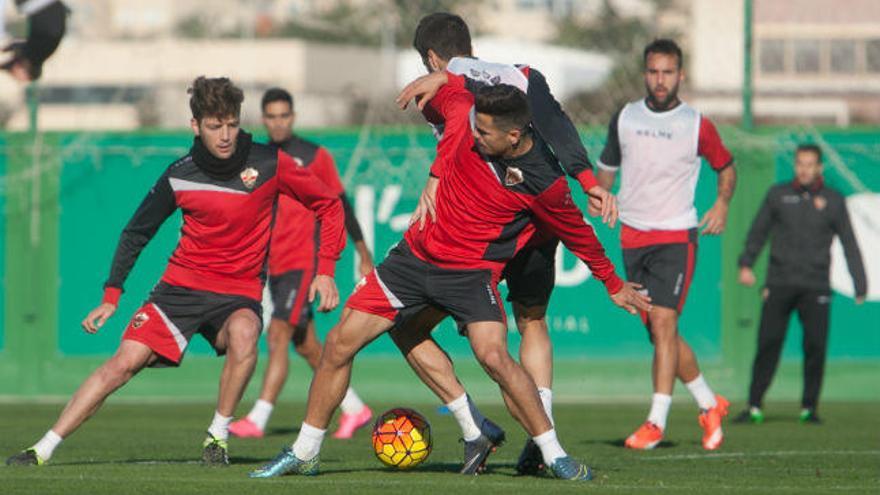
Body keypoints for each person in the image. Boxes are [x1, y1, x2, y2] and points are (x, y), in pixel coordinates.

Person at [249, 78, 650, 482]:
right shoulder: (465, 114)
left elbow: (579, 233)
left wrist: (612, 283)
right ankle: (306, 451)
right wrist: (445, 76)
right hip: (411, 261)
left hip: (470, 273)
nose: (471, 135)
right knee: (338, 343)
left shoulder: (545, 182)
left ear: (513, 136)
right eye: (473, 125)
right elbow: (463, 87)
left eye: (483, 132)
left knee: (493, 356)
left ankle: (553, 453)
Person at [5, 76, 345, 467]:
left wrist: (326, 270)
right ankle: (43, 448)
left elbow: (329, 204)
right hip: (179, 290)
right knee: (123, 363)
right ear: (195, 126)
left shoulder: (269, 163)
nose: (225, 135)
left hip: (238, 291)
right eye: (215, 126)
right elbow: (136, 233)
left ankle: (217, 437)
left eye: (231, 124)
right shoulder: (179, 173)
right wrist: (111, 296)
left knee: (246, 333)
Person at [387, 12, 619, 475]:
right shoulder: (520, 76)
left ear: (431, 56)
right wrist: (588, 179)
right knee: (532, 321)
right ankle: (538, 431)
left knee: (412, 323)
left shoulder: (449, 80)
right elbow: (556, 123)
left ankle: (490, 427)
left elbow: (462, 85)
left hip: (487, 232)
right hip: (535, 220)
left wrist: (441, 76)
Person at [595, 39, 735, 450]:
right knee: (662, 336)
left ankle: (655, 423)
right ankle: (710, 404)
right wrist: (599, 193)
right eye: (653, 72)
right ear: (645, 74)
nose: (660, 80)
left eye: (668, 72)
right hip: (632, 236)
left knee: (663, 323)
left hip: (676, 234)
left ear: (681, 76)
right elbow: (606, 170)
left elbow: (726, 166)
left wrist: (722, 203)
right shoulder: (624, 118)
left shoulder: (696, 124)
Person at [230, 88, 374, 440]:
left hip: (303, 260)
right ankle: (356, 409)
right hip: (273, 262)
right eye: (271, 116)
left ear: (292, 117)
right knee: (306, 345)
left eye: (284, 115)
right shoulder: (257, 158)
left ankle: (258, 418)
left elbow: (340, 204)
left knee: (277, 334)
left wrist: (362, 250)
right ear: (263, 119)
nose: (278, 122)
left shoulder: (314, 156)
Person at [734, 143, 866, 425]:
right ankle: (754, 405)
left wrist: (860, 282)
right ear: (795, 165)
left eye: (810, 164)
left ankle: (809, 407)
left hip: (816, 285)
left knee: (815, 347)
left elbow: (849, 241)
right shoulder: (778, 195)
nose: (804, 169)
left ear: (819, 167)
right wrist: (746, 263)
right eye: (800, 163)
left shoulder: (833, 200)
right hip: (779, 282)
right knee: (768, 343)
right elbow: (759, 232)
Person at [1, 0, 67, 81]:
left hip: (43, 7)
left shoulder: (37, 54)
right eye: (19, 76)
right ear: (27, 71)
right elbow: (18, 47)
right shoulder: (38, 54)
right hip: (42, 6)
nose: (15, 74)